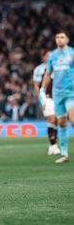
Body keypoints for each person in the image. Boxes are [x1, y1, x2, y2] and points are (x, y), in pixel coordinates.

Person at [40, 30, 74, 163]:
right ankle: (64, 154)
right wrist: (42, 90)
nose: (59, 39)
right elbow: (48, 74)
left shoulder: (71, 53)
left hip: (71, 93)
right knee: (62, 122)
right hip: (57, 94)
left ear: (67, 40)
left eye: (62, 37)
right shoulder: (53, 55)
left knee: (73, 120)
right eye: (57, 37)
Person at [33, 51, 60, 155]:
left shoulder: (59, 67)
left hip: (58, 97)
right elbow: (36, 85)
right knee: (52, 118)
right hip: (47, 97)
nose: (50, 57)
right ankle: (54, 145)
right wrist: (41, 99)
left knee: (56, 120)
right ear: (43, 58)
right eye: (48, 56)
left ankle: (52, 144)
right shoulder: (39, 69)